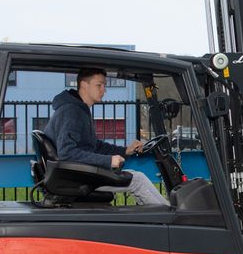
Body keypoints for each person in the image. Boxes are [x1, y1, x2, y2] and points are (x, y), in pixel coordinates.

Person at [45, 67, 168, 206]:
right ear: (84, 85)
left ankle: (166, 211)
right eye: (99, 85)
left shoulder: (79, 109)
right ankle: (169, 217)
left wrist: (125, 150)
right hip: (76, 178)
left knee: (137, 176)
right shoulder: (71, 111)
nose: (104, 90)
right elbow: (67, 152)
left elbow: (95, 145)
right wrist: (108, 161)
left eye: (104, 85)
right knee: (137, 180)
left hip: (78, 173)